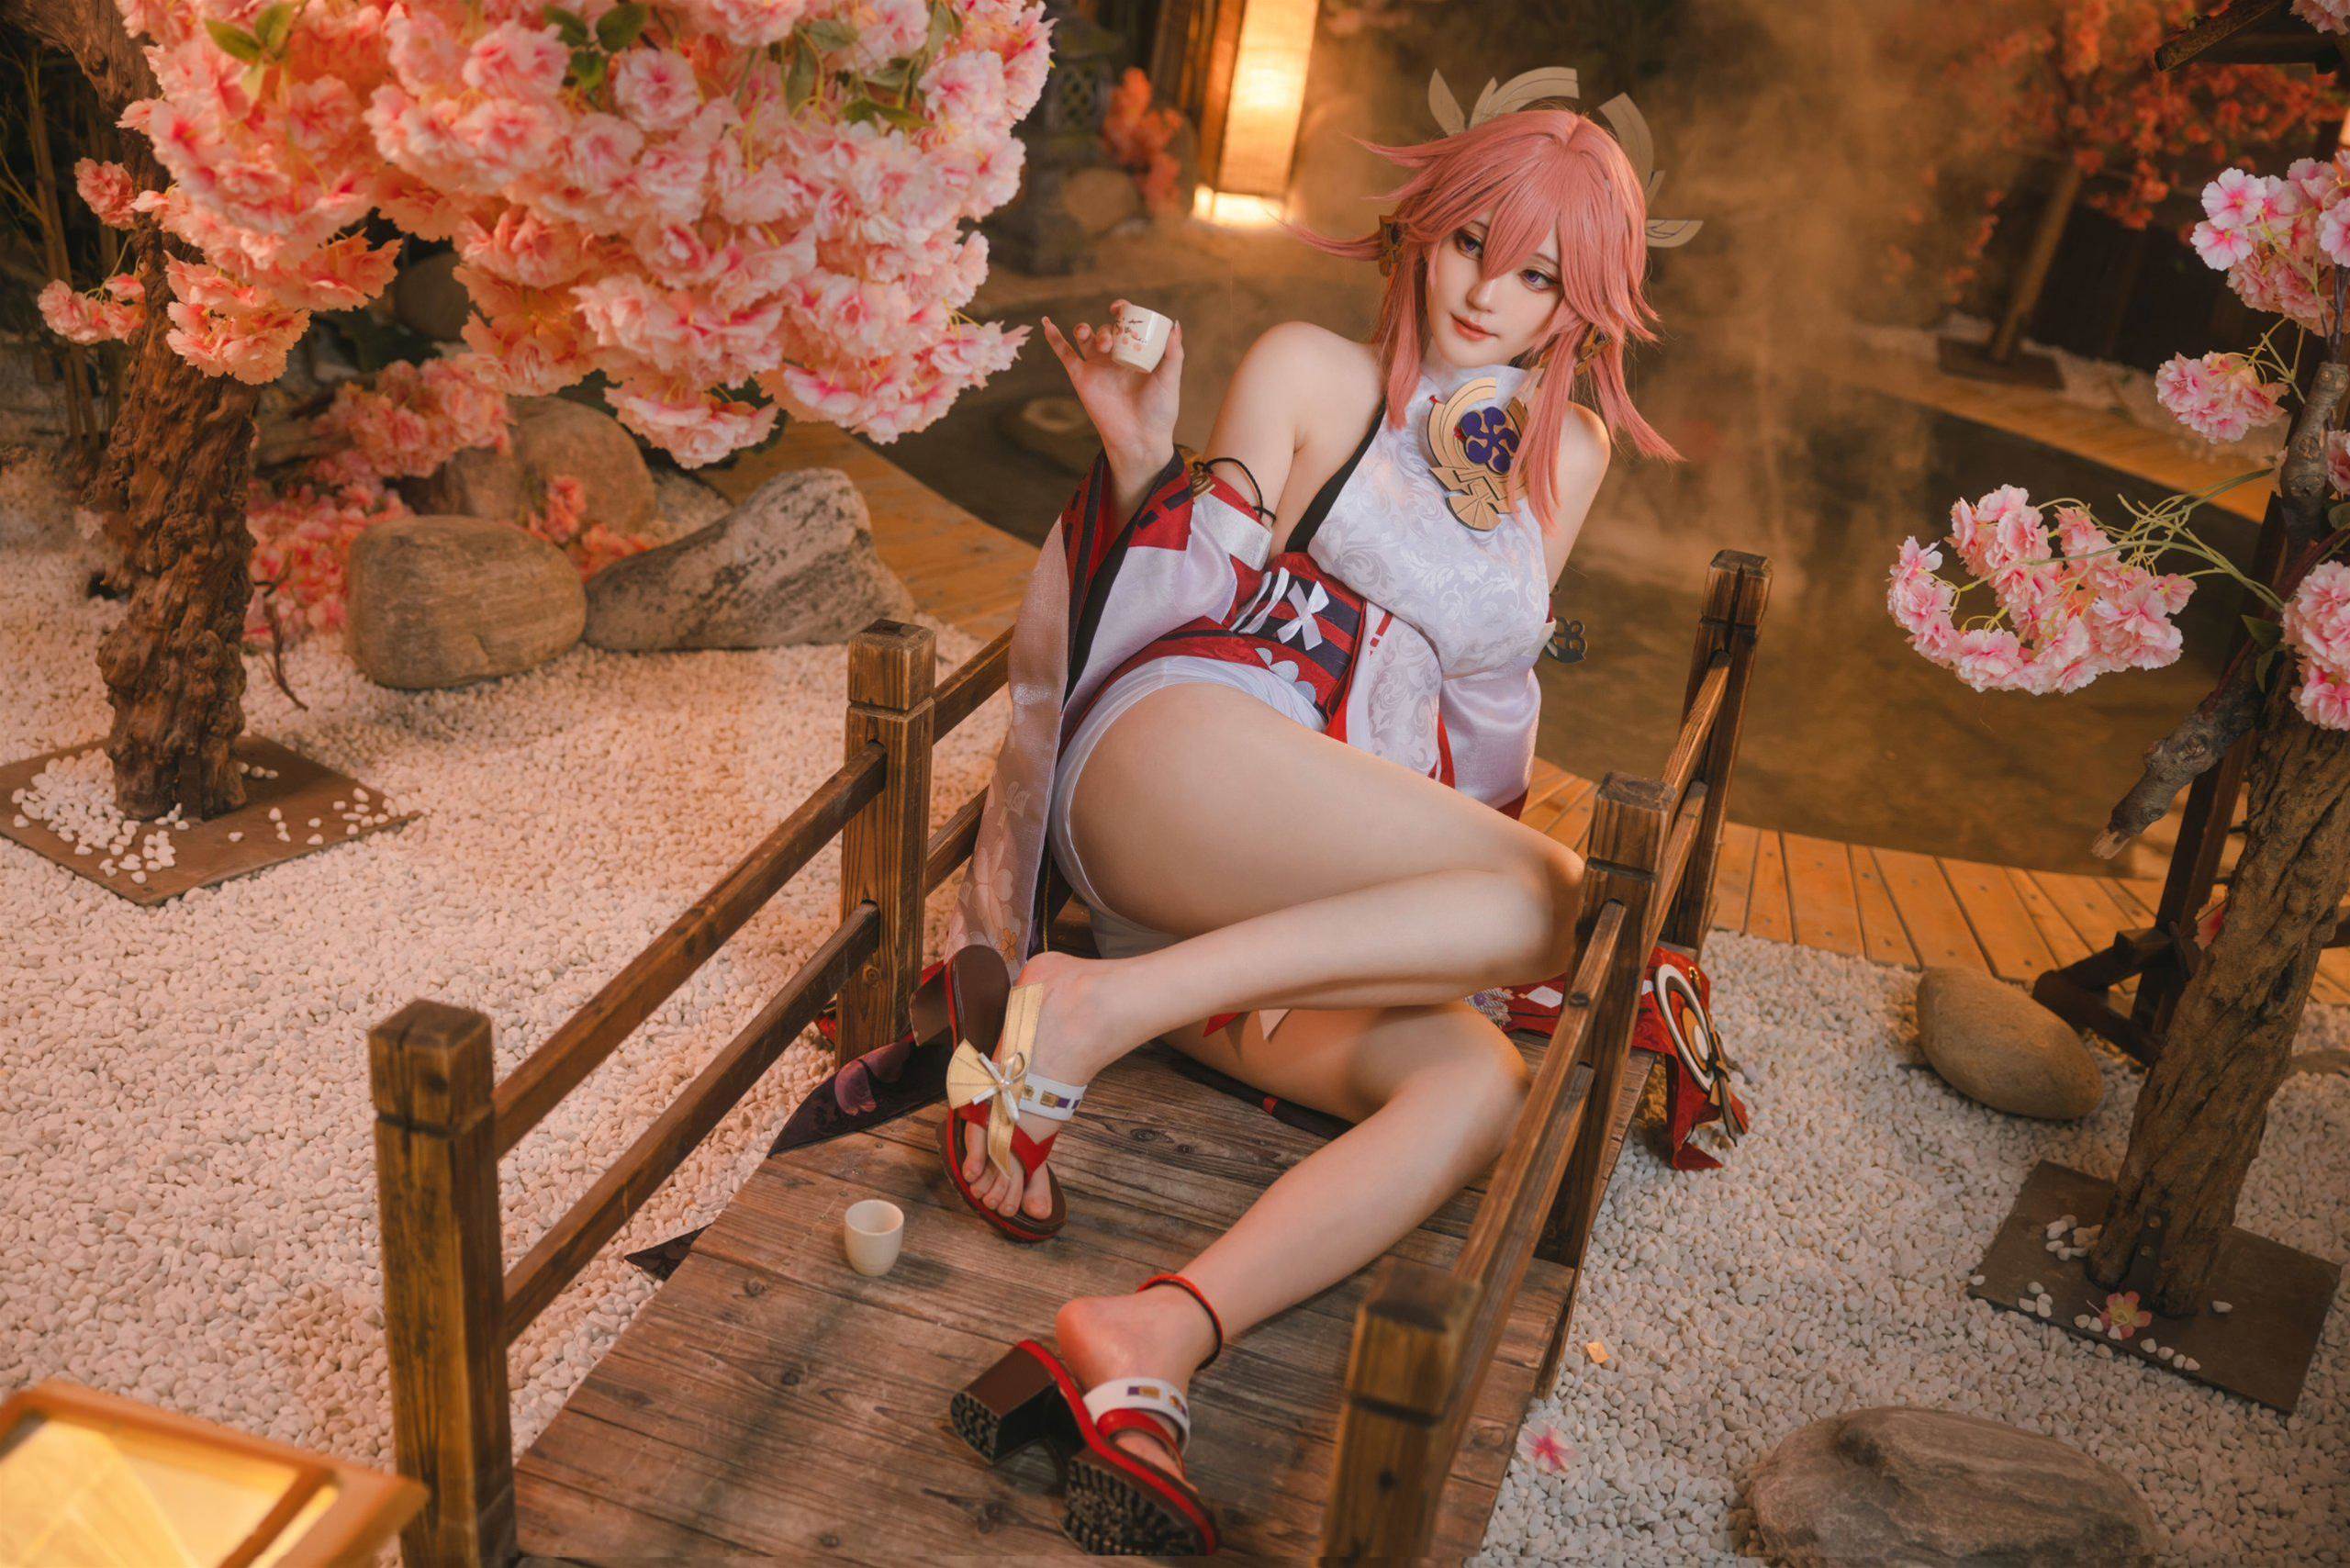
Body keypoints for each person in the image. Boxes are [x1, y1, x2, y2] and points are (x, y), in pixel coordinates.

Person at [941, 98, 1684, 1554]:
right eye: (1471, 244)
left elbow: (1483, 715)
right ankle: (1083, 1009)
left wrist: (1429, 934)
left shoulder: (1570, 460)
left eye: (1537, 275)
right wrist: (1145, 462)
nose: (1487, 293)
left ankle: (1156, 1331)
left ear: (1578, 308)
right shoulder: (1313, 369)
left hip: (1276, 901)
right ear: (1421, 231)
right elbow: (1189, 585)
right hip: (1183, 760)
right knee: (1557, 897)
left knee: (1477, 1082)